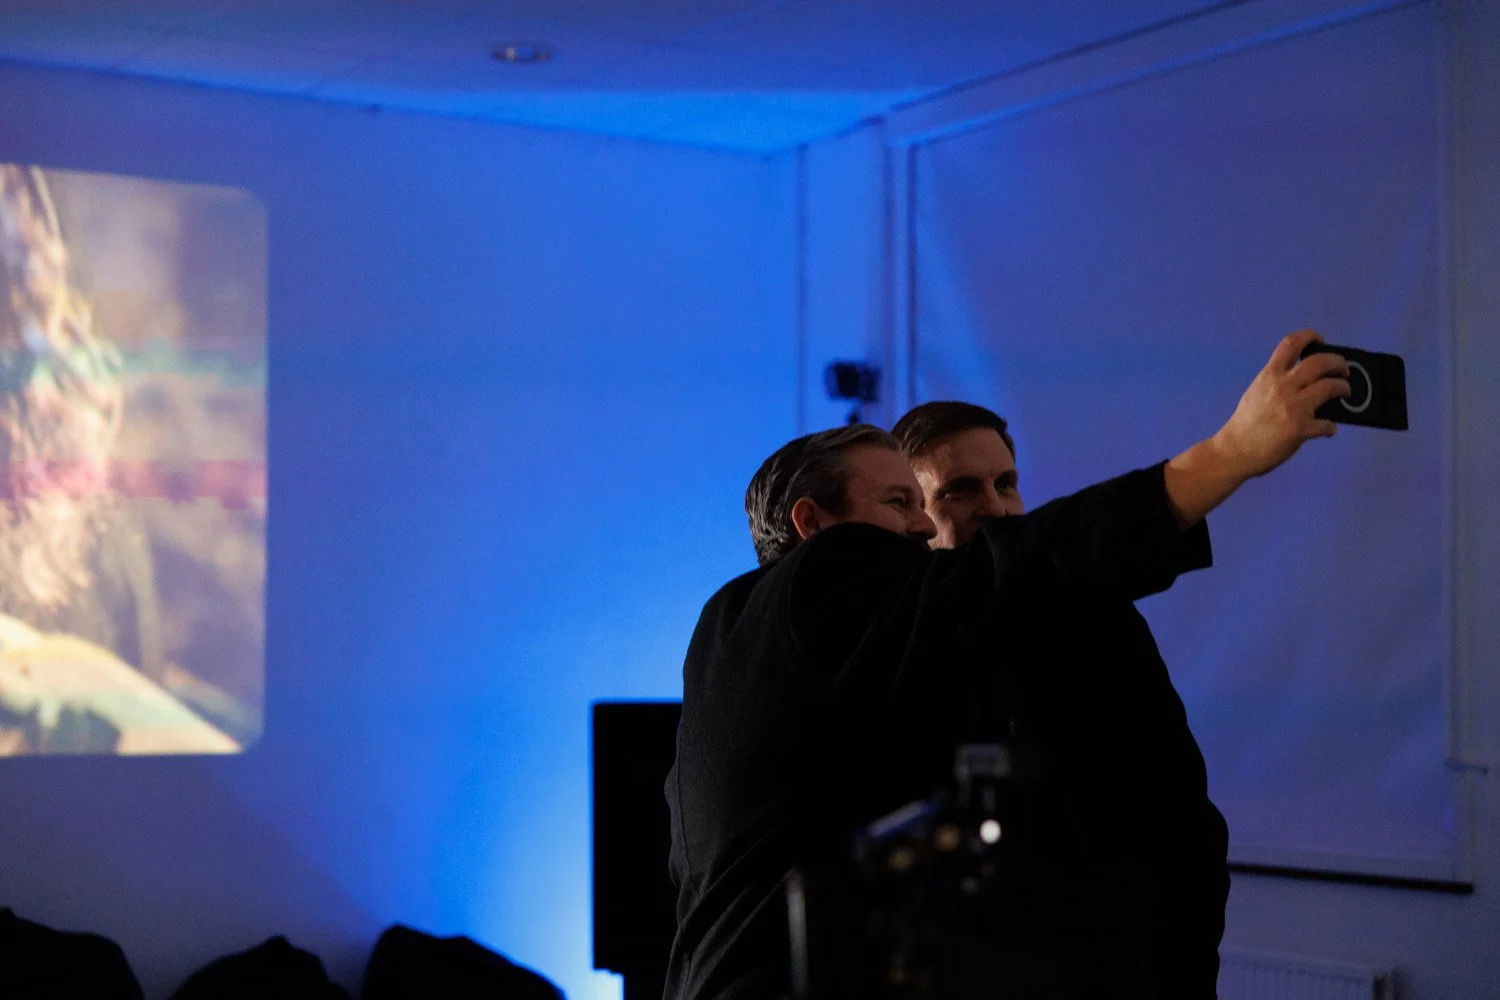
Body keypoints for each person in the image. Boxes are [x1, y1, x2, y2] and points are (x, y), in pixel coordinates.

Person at [663, 332, 1350, 1000]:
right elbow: (1009, 571)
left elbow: (1175, 835)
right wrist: (1228, 454)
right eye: (910, 501)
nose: (928, 527)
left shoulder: (730, 633)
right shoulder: (825, 583)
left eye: (1007, 484)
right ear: (812, 525)